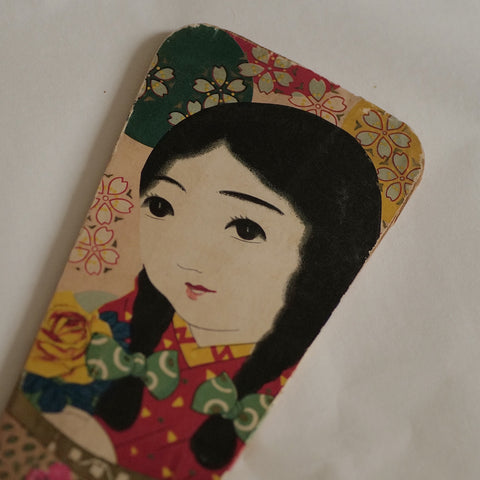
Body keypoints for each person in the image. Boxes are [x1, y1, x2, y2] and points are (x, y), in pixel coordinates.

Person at [72, 102, 382, 478]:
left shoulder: (300, 396)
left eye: (246, 229)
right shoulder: (103, 325)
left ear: (322, 257)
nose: (184, 255)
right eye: (161, 206)